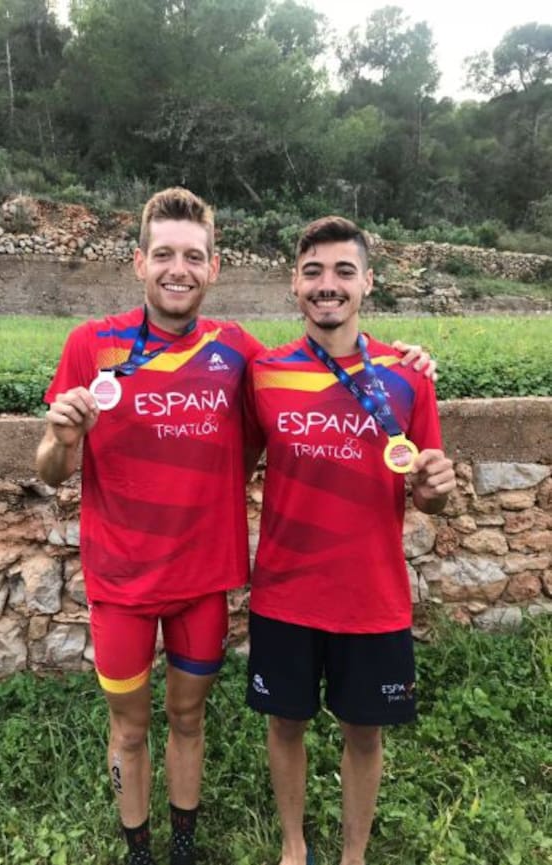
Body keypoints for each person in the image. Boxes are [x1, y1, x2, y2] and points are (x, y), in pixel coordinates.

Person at [36, 188, 437, 865]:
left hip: (203, 581)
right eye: (164, 254)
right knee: (128, 728)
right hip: (119, 582)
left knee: (188, 717)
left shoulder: (240, 353)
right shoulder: (90, 344)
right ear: (139, 261)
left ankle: (183, 847)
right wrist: (58, 436)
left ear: (214, 267)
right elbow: (51, 471)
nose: (178, 269)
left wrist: (410, 357)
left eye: (193, 256)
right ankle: (139, 851)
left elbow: (324, 365)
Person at [244, 215, 456, 865]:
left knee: (364, 732)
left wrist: (438, 487)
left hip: (371, 596)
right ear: (294, 283)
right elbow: (222, 463)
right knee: (286, 722)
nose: (327, 284)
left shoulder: (409, 374)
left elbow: (427, 494)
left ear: (368, 281)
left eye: (343, 270)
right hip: (285, 593)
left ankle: (353, 856)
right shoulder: (264, 372)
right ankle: (293, 847)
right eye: (313, 271)